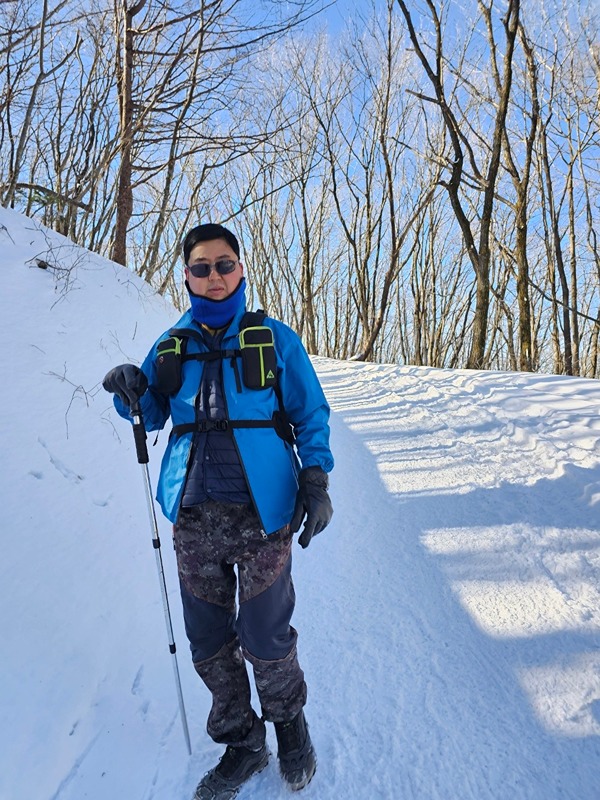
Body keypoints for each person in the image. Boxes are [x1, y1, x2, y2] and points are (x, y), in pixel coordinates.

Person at [103, 223, 334, 800]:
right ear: (186, 275)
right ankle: (241, 741)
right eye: (201, 267)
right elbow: (148, 413)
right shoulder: (170, 345)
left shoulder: (274, 339)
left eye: (223, 264)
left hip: (264, 515)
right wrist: (127, 387)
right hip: (194, 517)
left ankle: (289, 726)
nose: (213, 276)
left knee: (265, 633)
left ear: (241, 268)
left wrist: (316, 477)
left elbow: (310, 413)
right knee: (208, 639)